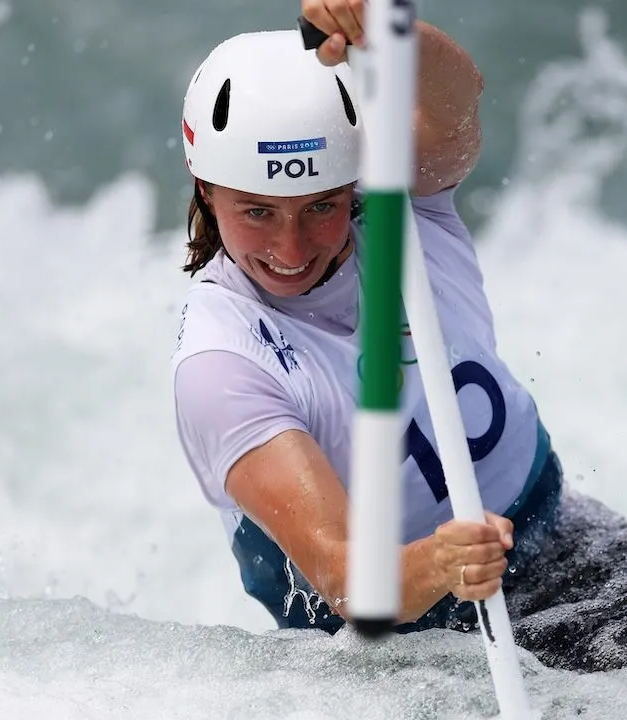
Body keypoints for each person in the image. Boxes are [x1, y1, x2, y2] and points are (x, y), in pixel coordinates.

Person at [171, 0, 564, 634]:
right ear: (206, 193)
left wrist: (388, 31)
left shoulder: (403, 203)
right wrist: (442, 562)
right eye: (258, 212)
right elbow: (343, 577)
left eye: (320, 207)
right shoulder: (221, 366)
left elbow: (457, 98)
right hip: (406, 635)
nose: (291, 250)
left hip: (549, 519)